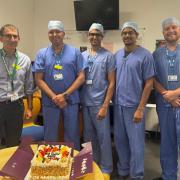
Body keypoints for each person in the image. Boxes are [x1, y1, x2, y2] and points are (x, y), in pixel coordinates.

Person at [33, 20, 85, 150]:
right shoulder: (42, 53)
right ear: (48, 34)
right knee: (50, 134)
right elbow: (38, 79)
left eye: (58, 31)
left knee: (72, 133)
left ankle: (72, 163)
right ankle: (51, 165)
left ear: (63, 34)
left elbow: (81, 77)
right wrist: (55, 97)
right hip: (50, 102)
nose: (54, 34)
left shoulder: (75, 52)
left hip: (71, 100)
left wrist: (65, 95)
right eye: (51, 32)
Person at [113, 21, 155, 180]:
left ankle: (136, 175)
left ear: (137, 35)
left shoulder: (145, 55)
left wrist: (140, 108)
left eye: (131, 32)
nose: (127, 35)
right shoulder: (117, 55)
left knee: (136, 144)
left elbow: (149, 83)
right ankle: (123, 171)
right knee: (120, 140)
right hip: (118, 106)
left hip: (134, 107)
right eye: (124, 32)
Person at [80, 23, 115, 180]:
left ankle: (106, 168)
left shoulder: (108, 56)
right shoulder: (82, 56)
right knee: (88, 138)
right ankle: (92, 163)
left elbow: (112, 82)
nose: (94, 37)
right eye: (91, 34)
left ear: (102, 37)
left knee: (103, 137)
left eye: (97, 34)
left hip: (100, 104)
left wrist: (105, 105)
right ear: (88, 36)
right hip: (85, 103)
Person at [153, 17, 180, 180]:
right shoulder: (156, 54)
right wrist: (167, 95)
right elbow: (153, 79)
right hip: (164, 105)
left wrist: (175, 93)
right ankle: (168, 176)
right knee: (167, 143)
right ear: (163, 33)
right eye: (167, 29)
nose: (170, 31)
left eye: (174, 27)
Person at [0, 24, 34, 147]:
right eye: (8, 36)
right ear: (1, 38)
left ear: (19, 39)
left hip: (16, 106)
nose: (12, 39)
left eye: (15, 36)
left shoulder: (25, 60)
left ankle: (10, 166)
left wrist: (29, 108)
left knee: (13, 142)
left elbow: (29, 86)